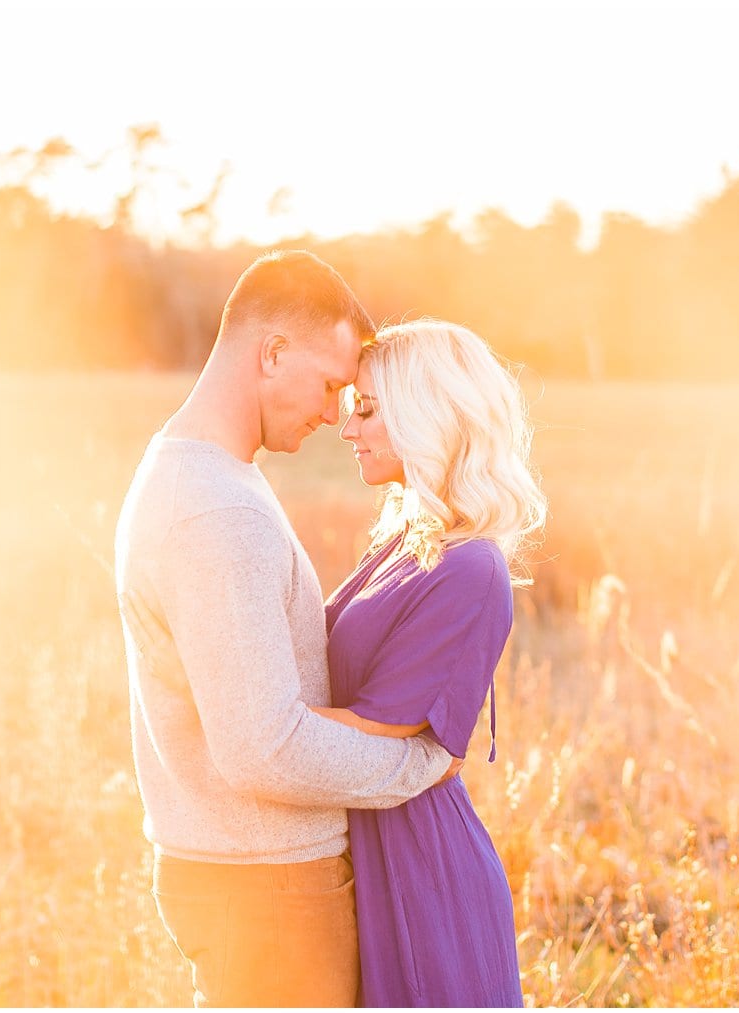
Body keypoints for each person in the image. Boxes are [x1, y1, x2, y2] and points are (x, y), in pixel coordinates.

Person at [113, 251, 460, 1009]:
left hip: (239, 874)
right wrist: (420, 764)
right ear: (271, 353)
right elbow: (261, 745)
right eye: (333, 383)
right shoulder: (216, 511)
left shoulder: (206, 474)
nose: (338, 411)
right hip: (266, 888)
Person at [313, 318, 547, 1007]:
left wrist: (240, 718)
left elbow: (378, 723)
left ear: (424, 413)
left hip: (419, 872)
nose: (348, 427)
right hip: (374, 845)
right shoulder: (407, 540)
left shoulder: (471, 566)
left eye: (367, 408)